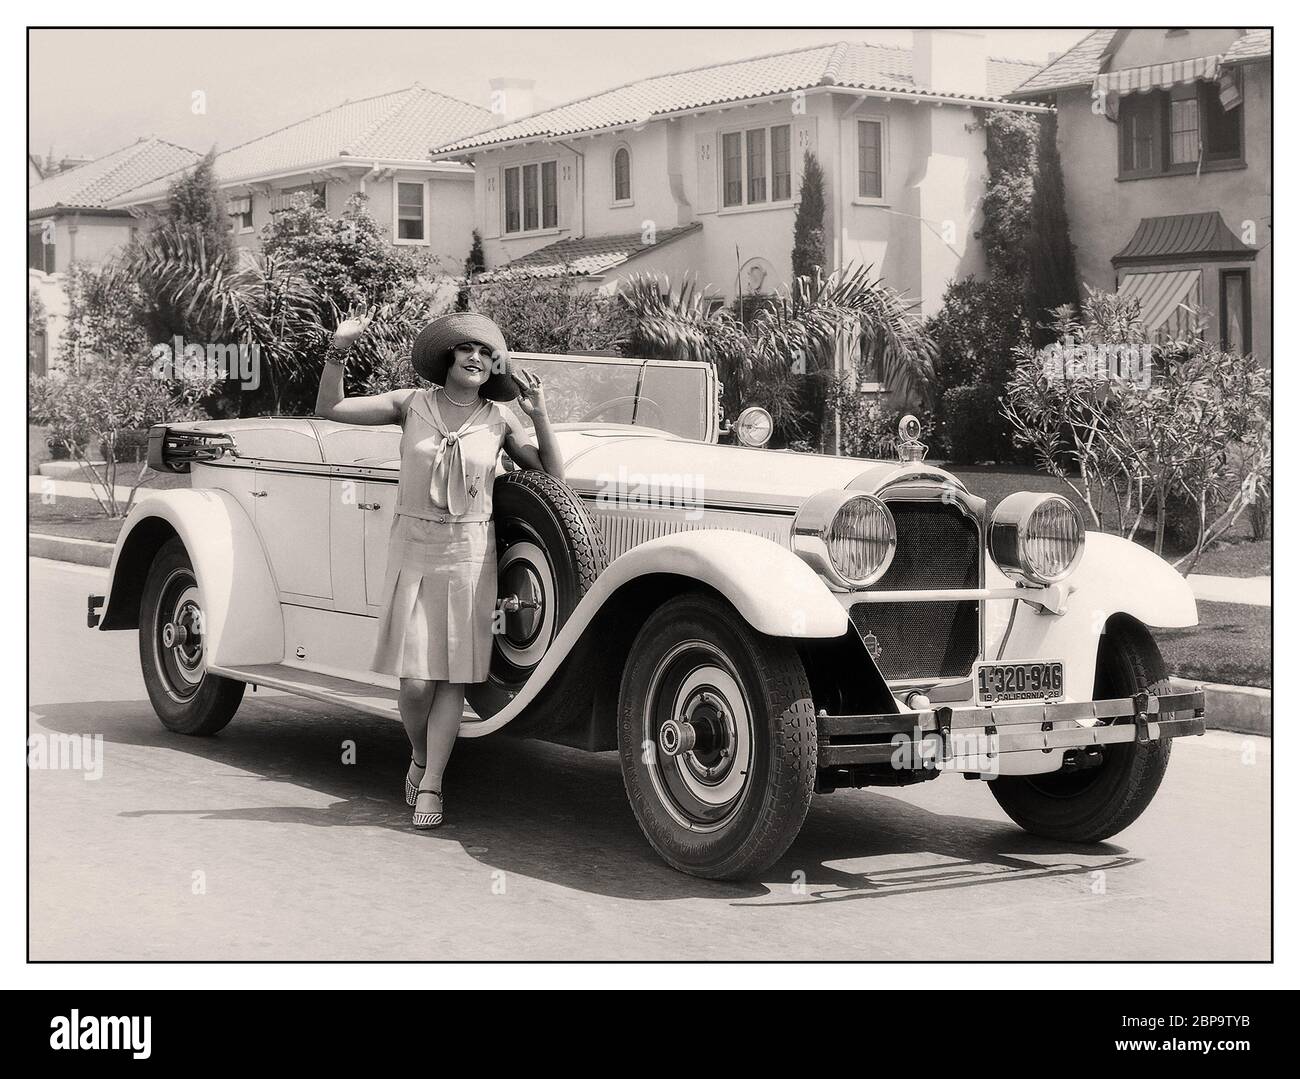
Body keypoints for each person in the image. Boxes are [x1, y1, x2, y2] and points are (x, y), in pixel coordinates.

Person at [315, 310, 564, 828]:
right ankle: (420, 754)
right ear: (448, 357)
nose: (475, 357)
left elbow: (552, 478)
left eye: (485, 353)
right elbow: (332, 407)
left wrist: (539, 414)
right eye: (466, 349)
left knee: (452, 679)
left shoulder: (499, 420)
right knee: (415, 683)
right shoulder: (412, 404)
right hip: (413, 547)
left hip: (469, 552)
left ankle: (432, 784)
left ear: (493, 367)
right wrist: (338, 349)